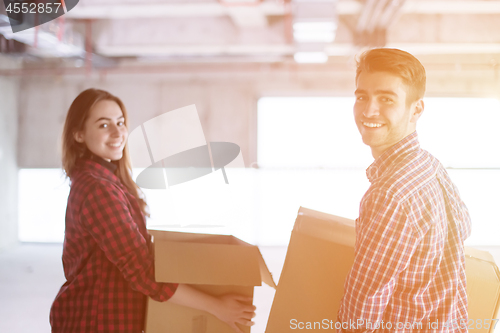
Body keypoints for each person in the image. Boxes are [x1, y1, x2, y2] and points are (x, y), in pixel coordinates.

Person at [49, 88, 255, 333]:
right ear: (79, 134)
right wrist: (218, 307)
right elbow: (142, 271)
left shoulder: (103, 180)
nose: (118, 133)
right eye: (104, 125)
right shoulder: (98, 189)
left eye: (120, 122)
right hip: (97, 320)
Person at [337, 48, 471, 333]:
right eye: (362, 97)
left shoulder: (390, 194)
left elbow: (362, 309)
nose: (369, 110)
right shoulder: (431, 166)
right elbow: (464, 228)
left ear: (416, 109)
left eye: (386, 99)